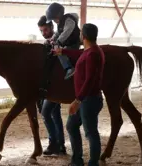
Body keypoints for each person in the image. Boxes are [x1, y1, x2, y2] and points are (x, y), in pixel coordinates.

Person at [53, 23, 105, 166]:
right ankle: (77, 160)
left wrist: (77, 100)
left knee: (91, 132)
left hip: (88, 100)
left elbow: (89, 80)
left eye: (81, 33)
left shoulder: (93, 54)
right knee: (71, 126)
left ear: (84, 36)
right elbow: (80, 54)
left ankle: (93, 163)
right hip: (85, 99)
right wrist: (63, 52)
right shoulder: (91, 51)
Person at [37, 15, 67, 156]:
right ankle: (60, 145)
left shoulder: (57, 41)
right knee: (55, 114)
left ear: (52, 28)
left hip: (56, 85)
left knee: (46, 112)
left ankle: (53, 143)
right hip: (52, 85)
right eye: (42, 30)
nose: (44, 33)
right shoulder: (47, 43)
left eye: (46, 29)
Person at [45, 2, 81, 80]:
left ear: (59, 15)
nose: (54, 21)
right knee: (55, 48)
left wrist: (58, 41)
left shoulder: (69, 21)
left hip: (73, 44)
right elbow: (58, 32)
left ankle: (69, 68)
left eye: (54, 18)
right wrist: (52, 39)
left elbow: (67, 32)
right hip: (67, 43)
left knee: (59, 51)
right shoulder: (60, 23)